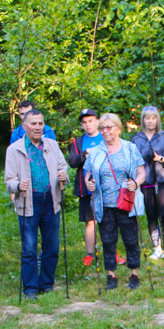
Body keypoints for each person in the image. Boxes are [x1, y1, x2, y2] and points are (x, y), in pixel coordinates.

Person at [4, 109, 69, 300]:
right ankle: (30, 288)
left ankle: (46, 284)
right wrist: (17, 185)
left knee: (52, 246)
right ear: (24, 126)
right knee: (29, 248)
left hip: (51, 199)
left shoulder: (52, 144)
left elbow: (62, 167)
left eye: (41, 123)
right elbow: (9, 180)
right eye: (33, 123)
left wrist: (64, 176)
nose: (38, 127)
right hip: (28, 201)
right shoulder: (14, 149)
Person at [83, 113, 147, 290]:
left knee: (131, 238)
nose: (105, 131)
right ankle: (111, 274)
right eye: (102, 128)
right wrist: (89, 184)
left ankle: (134, 272)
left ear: (118, 129)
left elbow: (142, 172)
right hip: (105, 203)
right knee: (108, 240)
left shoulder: (130, 148)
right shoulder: (95, 152)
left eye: (109, 127)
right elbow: (88, 175)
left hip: (126, 201)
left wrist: (136, 183)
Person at [131, 105, 164, 259]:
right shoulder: (137, 139)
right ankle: (157, 248)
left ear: (157, 119)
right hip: (146, 182)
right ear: (143, 120)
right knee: (151, 214)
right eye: (147, 118)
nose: (150, 121)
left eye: (153, 118)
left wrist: (162, 159)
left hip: (163, 180)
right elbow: (132, 160)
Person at [67, 109, 104, 266]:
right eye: (84, 122)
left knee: (109, 220)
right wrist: (84, 154)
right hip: (86, 188)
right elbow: (72, 162)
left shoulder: (105, 136)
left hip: (106, 187)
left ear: (97, 121)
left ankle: (111, 251)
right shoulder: (78, 142)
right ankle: (90, 254)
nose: (88, 125)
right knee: (90, 221)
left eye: (90, 121)